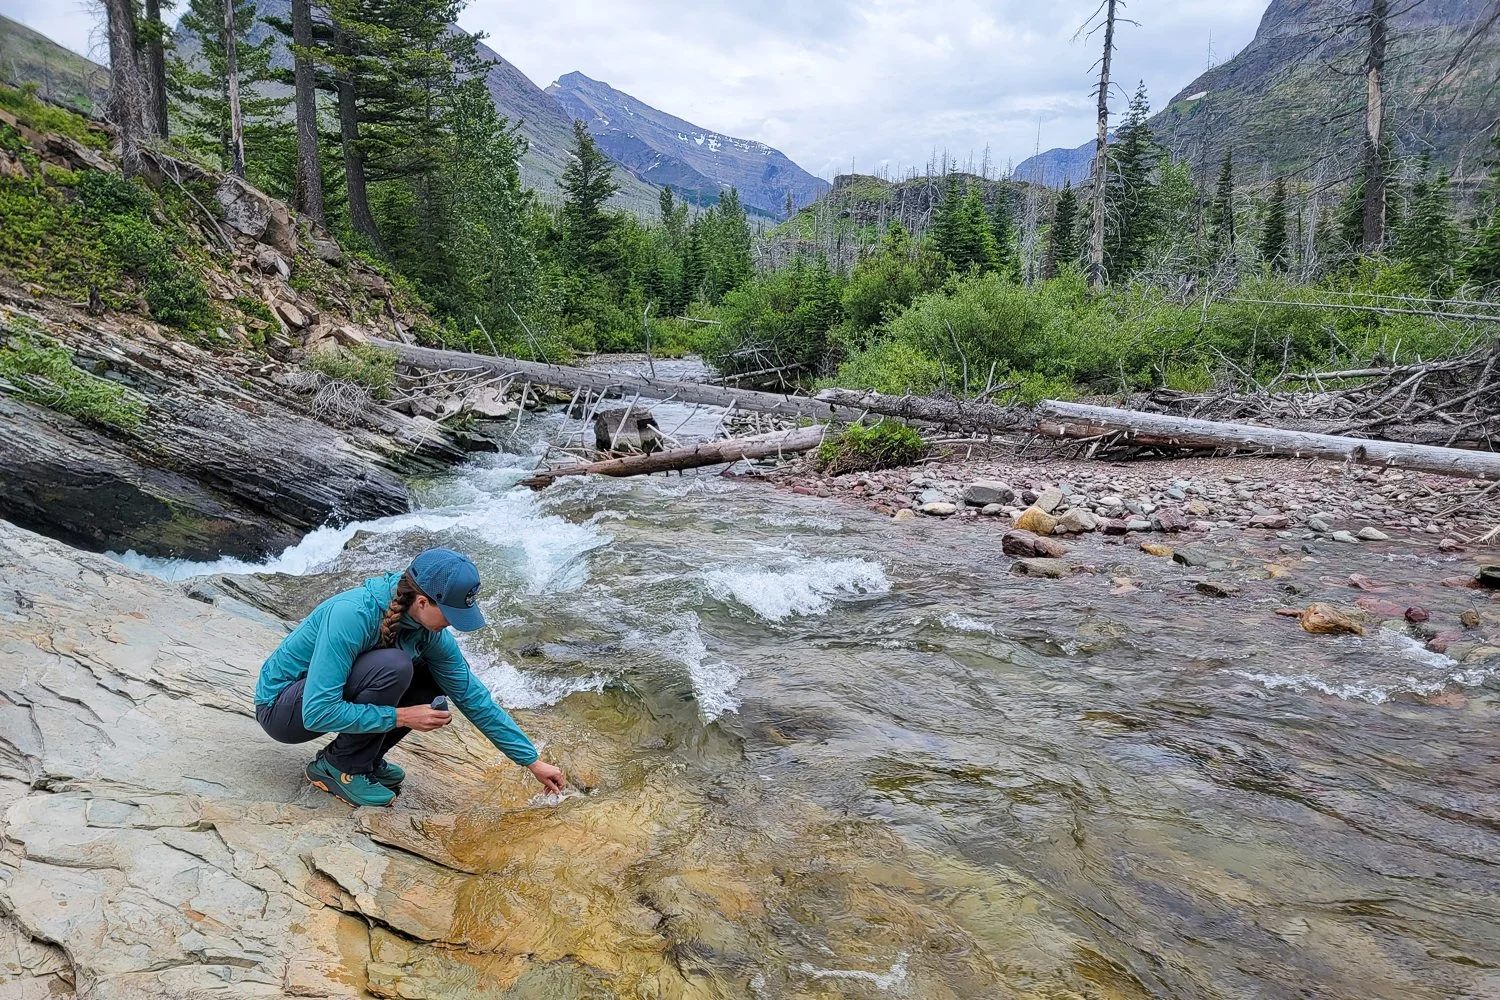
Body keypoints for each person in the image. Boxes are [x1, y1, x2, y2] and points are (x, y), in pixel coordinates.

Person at [254, 547, 566, 806]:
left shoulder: (427, 632)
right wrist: (401, 716)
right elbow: (317, 711)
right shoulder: (352, 615)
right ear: (422, 602)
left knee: (432, 677)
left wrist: (531, 761)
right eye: (450, 615)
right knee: (396, 665)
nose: (454, 625)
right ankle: (340, 767)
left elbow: (473, 697)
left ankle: (366, 759)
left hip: (315, 703)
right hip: (283, 710)